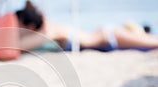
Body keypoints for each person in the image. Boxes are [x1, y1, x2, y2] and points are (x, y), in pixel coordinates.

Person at [16, 1, 158, 52]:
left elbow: (17, 46)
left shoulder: (49, 31)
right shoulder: (48, 29)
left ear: (31, 25)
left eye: (18, 27)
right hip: (107, 38)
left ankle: (135, 29)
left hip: (109, 37)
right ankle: (135, 29)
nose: (16, 32)